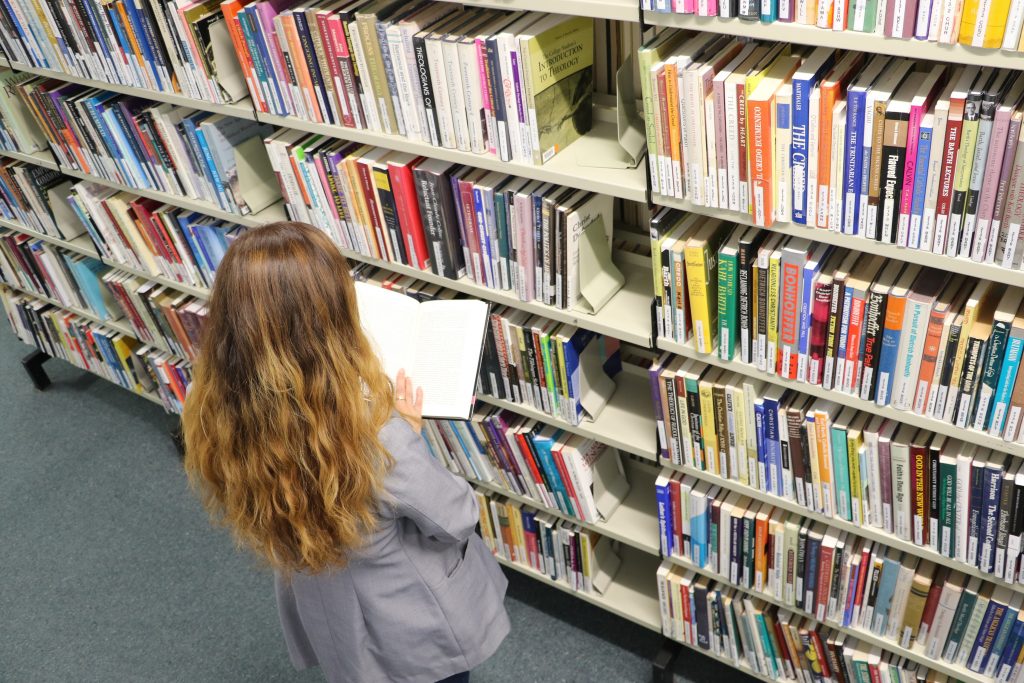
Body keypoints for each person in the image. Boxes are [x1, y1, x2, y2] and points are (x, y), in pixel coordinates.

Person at [181, 221, 510, 683]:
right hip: (412, 628)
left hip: (331, 611)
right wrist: (408, 432)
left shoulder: (212, 409)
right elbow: (454, 517)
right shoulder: (378, 439)